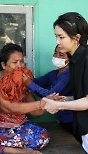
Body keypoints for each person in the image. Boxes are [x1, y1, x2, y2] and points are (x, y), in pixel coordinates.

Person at [0, 43, 50, 154]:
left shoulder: (25, 79)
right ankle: (19, 150)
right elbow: (8, 108)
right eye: (15, 62)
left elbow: (34, 112)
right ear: (4, 65)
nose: (20, 66)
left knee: (43, 137)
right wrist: (42, 102)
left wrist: (51, 103)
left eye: (22, 61)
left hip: (20, 125)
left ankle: (8, 149)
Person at [42, 12, 88, 153]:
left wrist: (59, 105)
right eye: (56, 36)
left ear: (77, 38)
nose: (57, 42)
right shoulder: (75, 60)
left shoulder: (85, 60)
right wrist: (66, 99)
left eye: (61, 37)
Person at [23, 45, 74, 133]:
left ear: (69, 59)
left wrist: (29, 84)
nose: (56, 56)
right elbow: (36, 83)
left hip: (72, 121)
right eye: (55, 53)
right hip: (62, 120)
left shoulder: (68, 75)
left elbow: (51, 95)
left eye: (61, 55)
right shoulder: (53, 74)